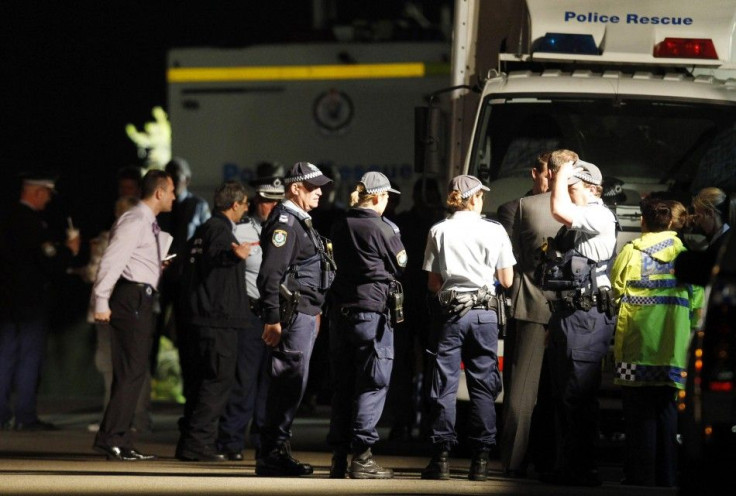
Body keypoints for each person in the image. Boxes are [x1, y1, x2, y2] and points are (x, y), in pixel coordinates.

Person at [421, 175, 515, 481]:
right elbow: (508, 280)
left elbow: (434, 284)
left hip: (451, 314)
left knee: (444, 383)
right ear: (472, 198)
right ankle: (482, 459)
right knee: (483, 384)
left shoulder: (439, 230)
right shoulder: (495, 230)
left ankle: (441, 457)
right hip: (485, 314)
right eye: (481, 195)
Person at [611, 197, 704, 487]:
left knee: (638, 416)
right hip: (672, 351)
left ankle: (640, 477)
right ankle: (667, 477)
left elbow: (615, 290)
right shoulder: (684, 255)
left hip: (635, 350)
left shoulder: (630, 253)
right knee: (667, 413)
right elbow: (698, 303)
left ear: (643, 221)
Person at [540, 155, 618, 486]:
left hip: (587, 318)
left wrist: (559, 172)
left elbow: (558, 207)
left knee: (578, 394)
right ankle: (567, 465)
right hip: (570, 316)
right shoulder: (580, 222)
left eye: (571, 187)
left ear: (587, 187)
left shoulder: (598, 215)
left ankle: (583, 469)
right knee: (563, 395)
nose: (566, 192)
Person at [255, 161, 335, 477]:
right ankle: (272, 454)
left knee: (292, 385)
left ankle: (276, 451)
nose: (319, 193)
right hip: (292, 317)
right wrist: (272, 319)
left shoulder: (299, 221)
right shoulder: (286, 223)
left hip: (304, 313)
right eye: (313, 187)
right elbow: (271, 274)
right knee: (287, 385)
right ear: (295, 187)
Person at [326, 172, 406, 479]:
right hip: (372, 313)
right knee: (372, 383)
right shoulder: (382, 228)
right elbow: (401, 263)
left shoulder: (339, 224)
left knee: (343, 385)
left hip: (341, 312)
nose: (388, 202)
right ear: (376, 197)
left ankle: (338, 458)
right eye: (386, 197)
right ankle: (362, 457)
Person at [91, 169, 175, 461]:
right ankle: (112, 438)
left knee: (134, 372)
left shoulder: (147, 222)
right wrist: (101, 300)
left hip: (140, 296)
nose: (175, 196)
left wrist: (154, 267)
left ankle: (119, 437)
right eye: (172, 190)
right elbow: (111, 260)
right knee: (130, 371)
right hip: (130, 298)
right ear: (159, 192)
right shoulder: (135, 219)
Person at [175, 180, 253, 461]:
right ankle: (199, 444)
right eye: (245, 204)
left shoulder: (201, 230)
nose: (246, 208)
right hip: (218, 320)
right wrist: (235, 255)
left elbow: (187, 261)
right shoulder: (220, 231)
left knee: (201, 382)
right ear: (235, 205)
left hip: (199, 318)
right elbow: (218, 255)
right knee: (217, 382)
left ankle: (190, 442)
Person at [499, 150, 562, 478]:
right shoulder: (583, 211)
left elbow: (516, 260)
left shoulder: (519, 209)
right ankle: (543, 460)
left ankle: (517, 460)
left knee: (524, 389)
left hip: (532, 302)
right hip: (562, 307)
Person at [0, 173, 80, 431]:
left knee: (5, 356)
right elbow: (48, 260)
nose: (47, 199)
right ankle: (25, 415)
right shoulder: (32, 222)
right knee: (29, 358)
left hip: (7, 301)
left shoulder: (7, 217)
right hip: (30, 302)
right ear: (37, 192)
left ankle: (2, 414)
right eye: (46, 193)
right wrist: (70, 250)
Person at [216, 166, 284, 461]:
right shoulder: (240, 230)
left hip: (279, 314)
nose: (274, 206)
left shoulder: (289, 232)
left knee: (271, 381)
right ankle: (231, 441)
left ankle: (263, 441)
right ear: (257, 202)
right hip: (249, 313)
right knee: (243, 380)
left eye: (278, 201)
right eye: (269, 200)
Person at [387, 177, 444, 442]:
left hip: (430, 302)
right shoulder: (407, 223)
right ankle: (403, 422)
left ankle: (426, 423)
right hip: (408, 302)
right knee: (403, 366)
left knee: (433, 365)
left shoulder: (441, 224)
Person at [157, 157, 211, 400]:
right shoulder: (159, 206)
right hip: (157, 280)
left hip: (186, 283)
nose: (172, 183)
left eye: (175, 179)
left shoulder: (198, 206)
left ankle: (191, 395)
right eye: (167, 178)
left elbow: (208, 243)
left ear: (186, 180)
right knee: (149, 337)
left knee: (189, 340)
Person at [674, 187, 732, 287]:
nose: (698, 223)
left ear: (710, 213)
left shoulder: (724, 246)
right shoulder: (723, 240)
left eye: (699, 216)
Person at [496, 152, 552, 233]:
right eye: (547, 177)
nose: (552, 184)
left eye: (556, 179)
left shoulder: (568, 210)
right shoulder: (513, 212)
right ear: (535, 174)